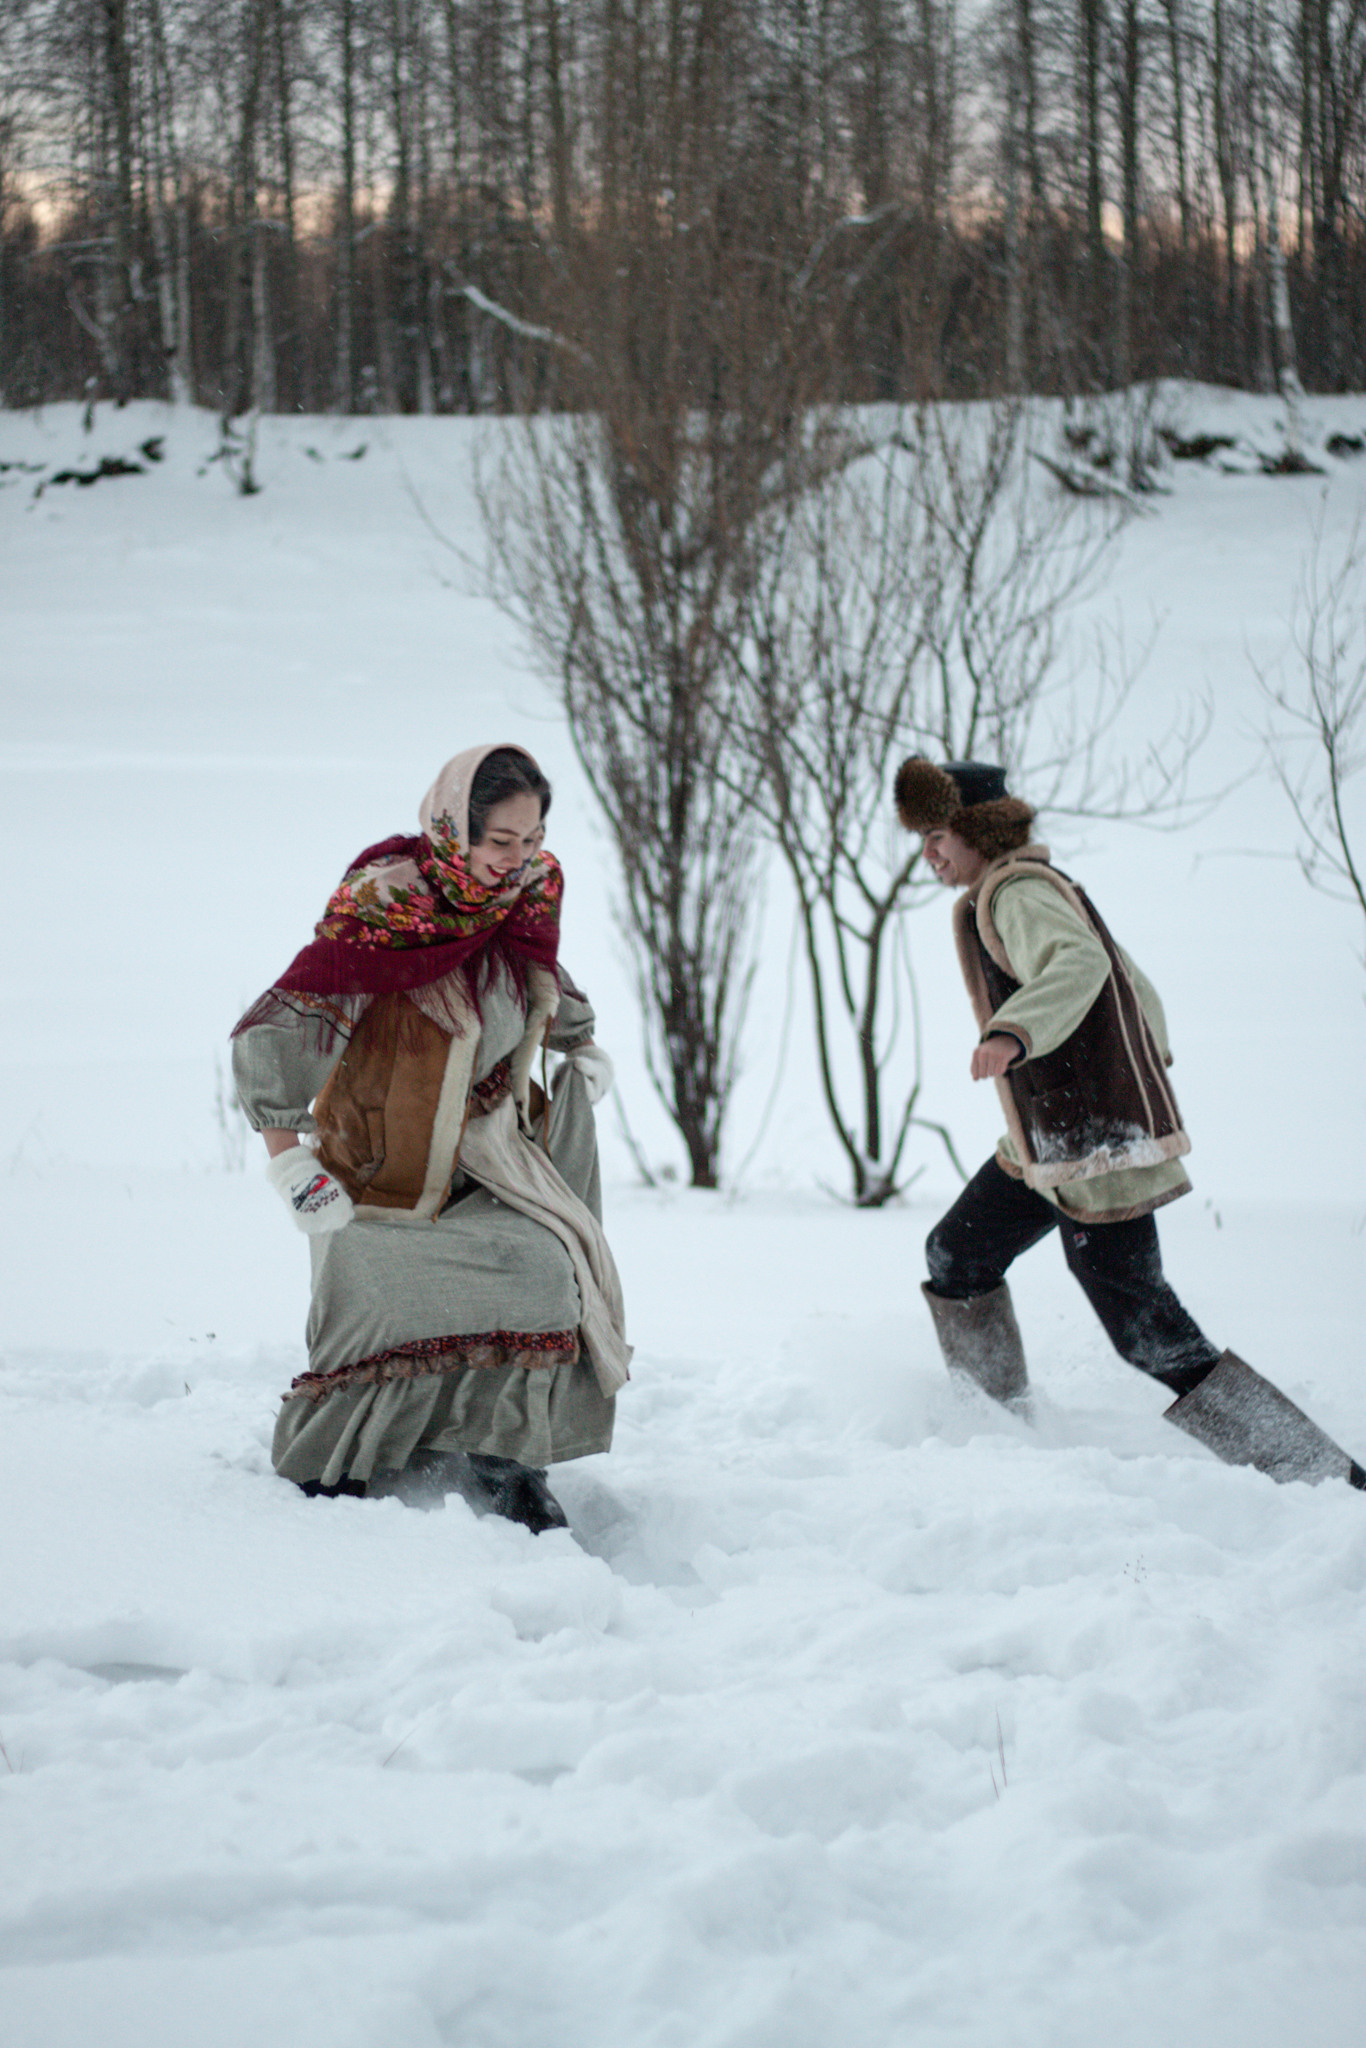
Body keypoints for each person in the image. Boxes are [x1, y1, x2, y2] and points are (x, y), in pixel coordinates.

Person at [894, 754, 1364, 1491]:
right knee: (957, 1257)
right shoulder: (1026, 887)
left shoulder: (1018, 893)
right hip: (1048, 1144)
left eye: (937, 837)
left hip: (1095, 1151)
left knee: (1147, 1333)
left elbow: (1079, 963)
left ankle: (1317, 1473)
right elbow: (1135, 987)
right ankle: (996, 1429)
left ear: (978, 832)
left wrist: (1014, 1033)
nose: (928, 854)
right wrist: (1133, 1064)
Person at [231, 743, 631, 1532]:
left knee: (547, 1277)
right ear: (455, 830)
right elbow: (281, 1029)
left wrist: (578, 1043)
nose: (518, 860)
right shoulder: (388, 909)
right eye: (500, 841)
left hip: (490, 1161)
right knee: (383, 1297)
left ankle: (504, 1455)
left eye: (533, 839)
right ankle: (343, 1454)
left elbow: (539, 970)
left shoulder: (522, 898)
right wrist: (291, 1164)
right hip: (382, 1166)